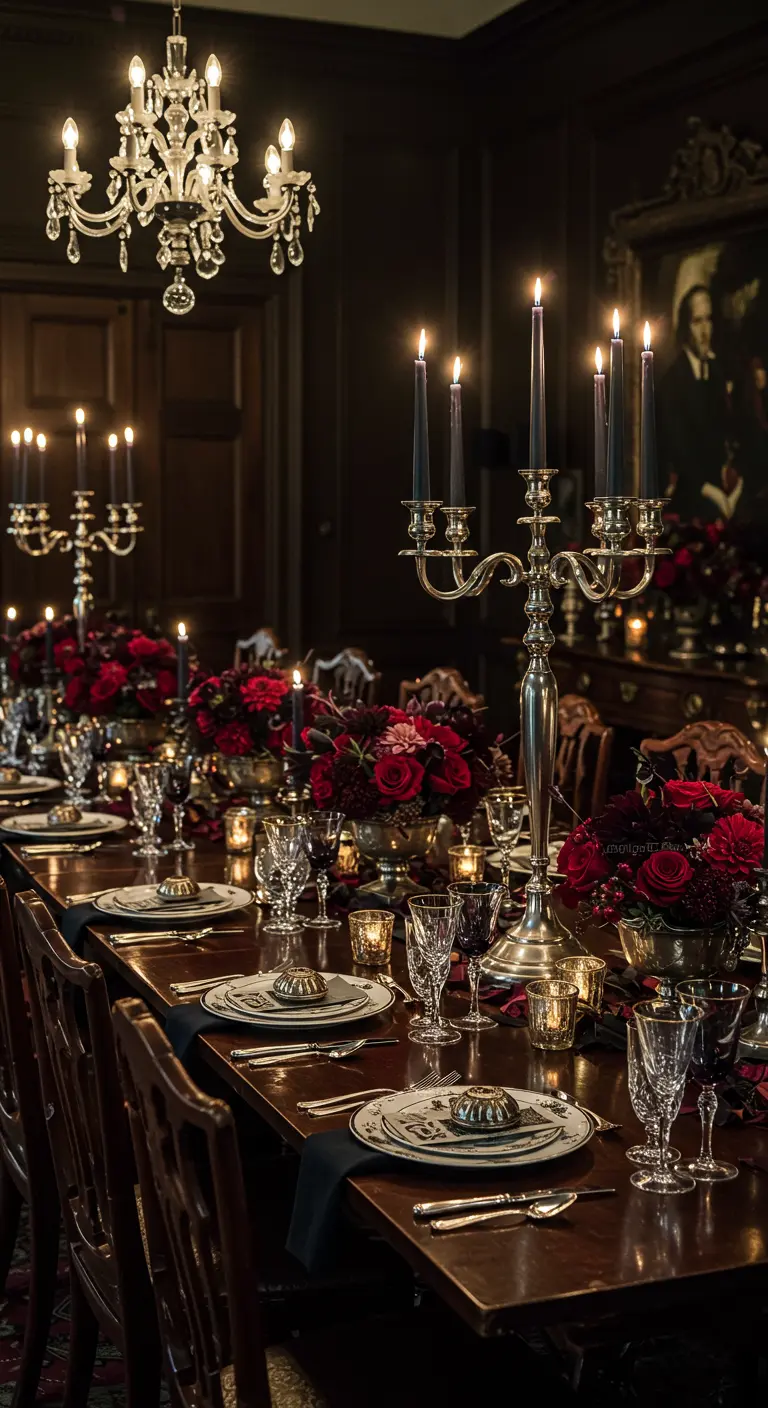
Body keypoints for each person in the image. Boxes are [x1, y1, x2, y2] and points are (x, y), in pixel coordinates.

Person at [658, 284, 737, 520]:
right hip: (689, 501)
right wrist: (712, 493)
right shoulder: (672, 381)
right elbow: (679, 451)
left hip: (721, 497)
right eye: (697, 322)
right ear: (685, 327)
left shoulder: (716, 372)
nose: (705, 331)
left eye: (708, 320)